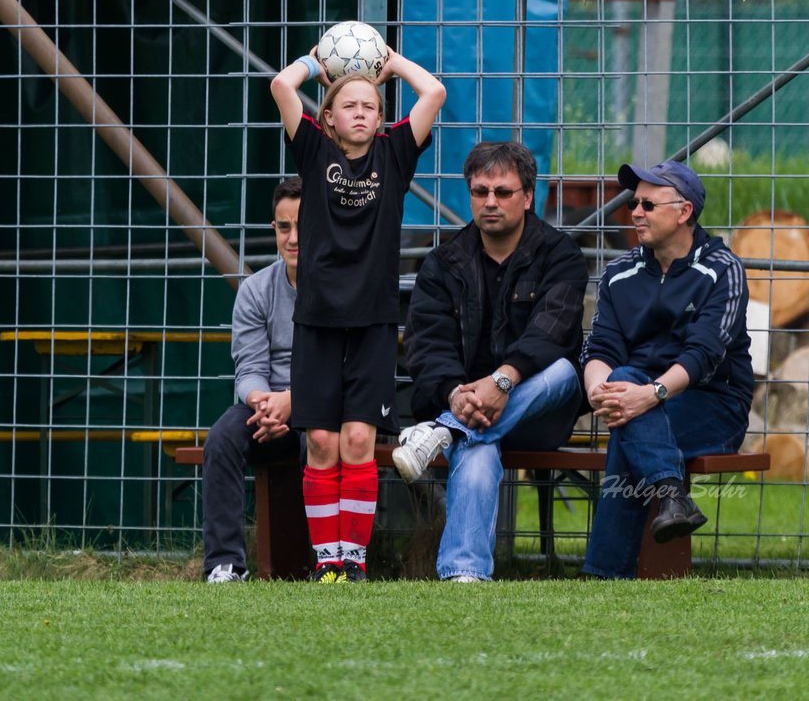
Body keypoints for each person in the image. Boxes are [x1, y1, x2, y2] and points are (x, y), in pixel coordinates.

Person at [270, 42, 445, 582]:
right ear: (328, 117)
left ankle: (355, 560)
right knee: (320, 442)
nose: (362, 113)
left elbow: (434, 92)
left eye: (371, 105)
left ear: (381, 117)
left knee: (359, 441)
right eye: (350, 105)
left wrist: (391, 64)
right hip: (318, 321)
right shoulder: (314, 152)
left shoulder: (394, 153)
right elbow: (280, 85)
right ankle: (328, 564)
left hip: (371, 321)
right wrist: (316, 61)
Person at [397, 141, 589, 582]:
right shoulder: (443, 264)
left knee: (563, 370)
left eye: (502, 192)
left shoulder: (561, 255)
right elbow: (425, 346)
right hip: (470, 408)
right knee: (478, 446)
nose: (490, 202)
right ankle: (464, 575)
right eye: (480, 191)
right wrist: (454, 393)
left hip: (540, 411)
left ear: (527, 197)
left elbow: (553, 333)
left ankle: (444, 430)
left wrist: (501, 382)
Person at [580, 160, 753, 580]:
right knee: (626, 395)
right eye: (633, 203)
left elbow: (703, 356)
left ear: (684, 212)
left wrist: (648, 395)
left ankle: (603, 575)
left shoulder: (723, 270)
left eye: (647, 204)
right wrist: (599, 391)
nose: (634, 212)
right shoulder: (619, 272)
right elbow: (600, 346)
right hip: (635, 401)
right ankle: (672, 495)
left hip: (713, 403)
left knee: (631, 424)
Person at [201, 178, 303, 583]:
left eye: (304, 225)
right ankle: (225, 565)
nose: (293, 238)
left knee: (323, 438)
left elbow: (340, 369)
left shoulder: (337, 287)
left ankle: (327, 563)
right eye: (284, 227)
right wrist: (265, 403)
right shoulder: (256, 290)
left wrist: (292, 402)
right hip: (266, 408)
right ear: (274, 229)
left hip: (319, 406)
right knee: (222, 439)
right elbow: (248, 368)